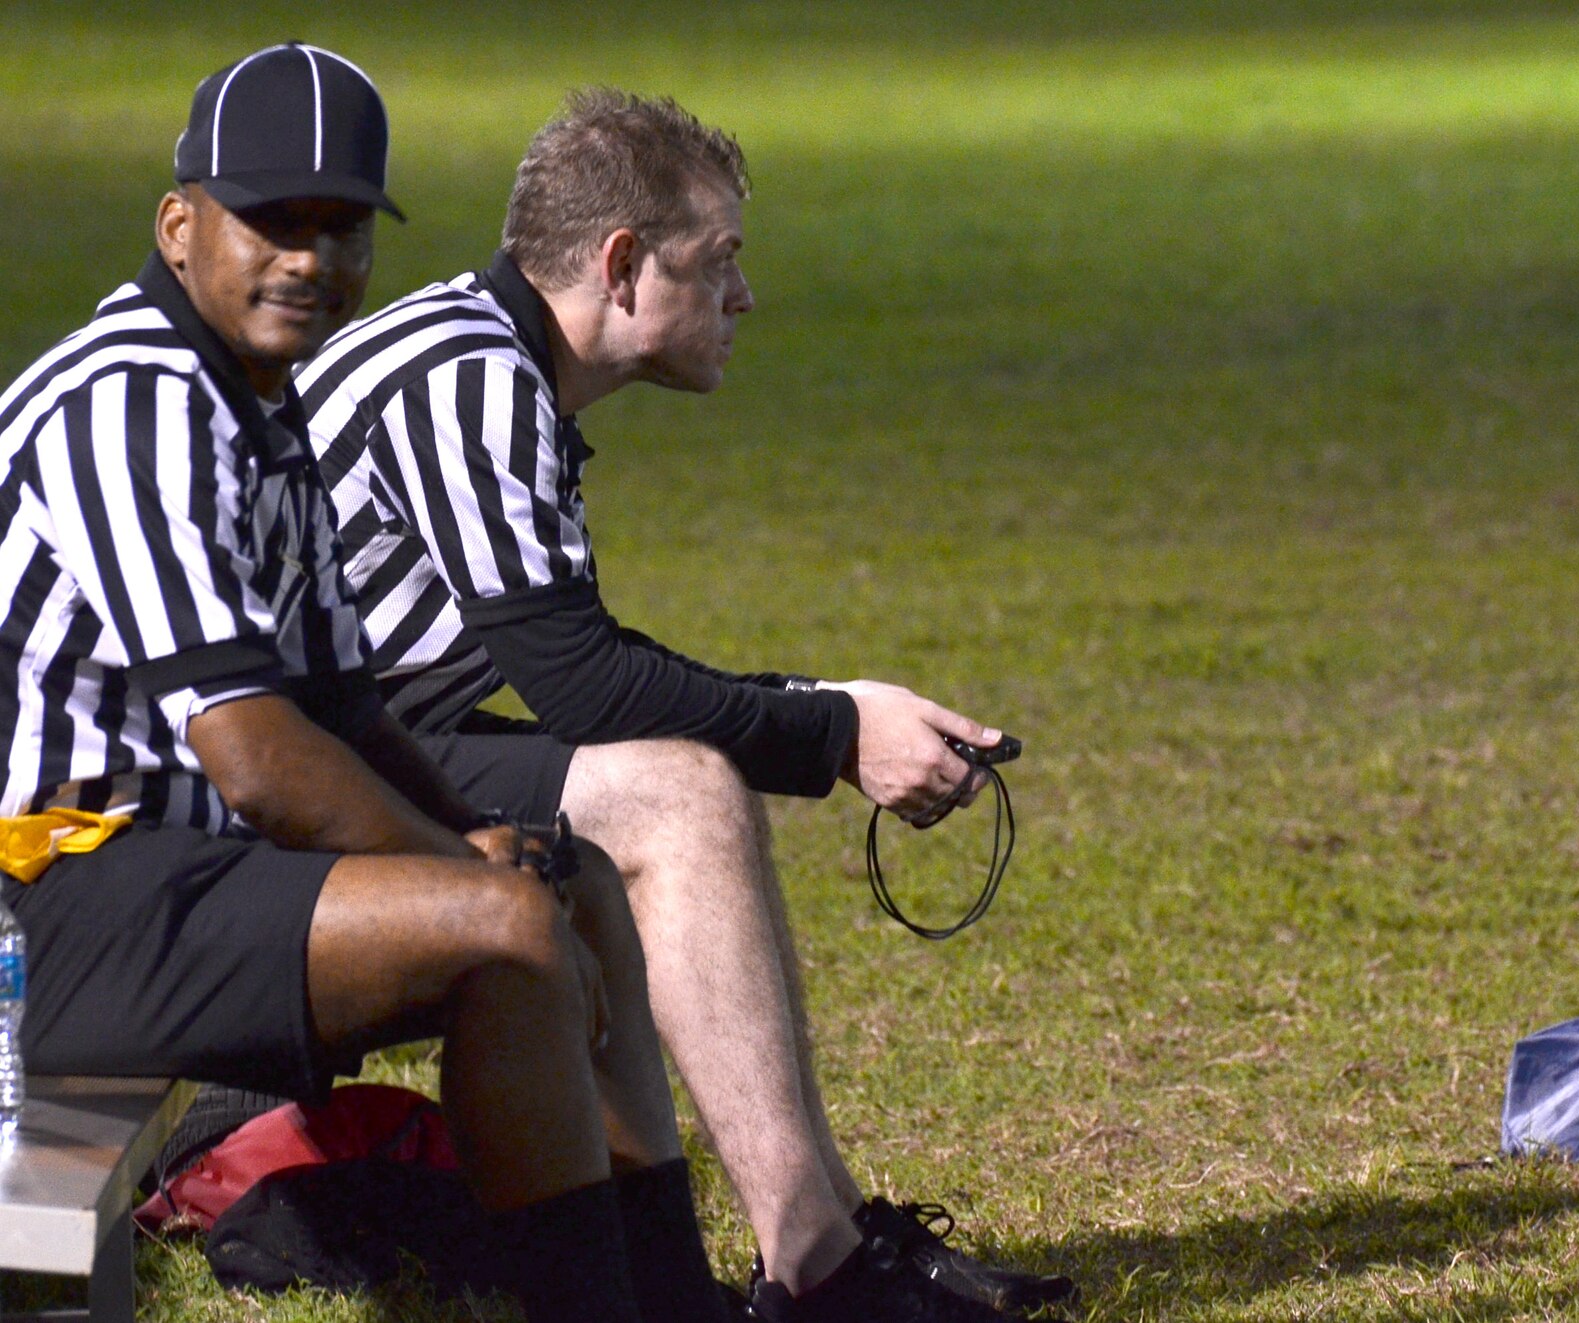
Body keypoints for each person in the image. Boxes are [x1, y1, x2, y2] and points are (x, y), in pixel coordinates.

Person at [296, 90, 1073, 1320]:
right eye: (720, 262)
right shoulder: (471, 381)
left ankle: (800, 1251)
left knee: (665, 786)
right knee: (674, 794)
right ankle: (819, 1269)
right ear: (619, 265)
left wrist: (826, 709)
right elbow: (584, 682)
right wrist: (834, 732)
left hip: (340, 753)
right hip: (238, 796)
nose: (744, 298)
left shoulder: (482, 359)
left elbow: (573, 672)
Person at [0, 48, 728, 1323]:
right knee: (506, 928)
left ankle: (671, 1298)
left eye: (341, 228)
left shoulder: (256, 408)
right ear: (179, 227)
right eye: (272, 222)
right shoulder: (135, 400)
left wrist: (472, 837)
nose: (310, 260)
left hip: (163, 874)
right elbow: (260, 759)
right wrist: (465, 877)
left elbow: (344, 703)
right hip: (46, 895)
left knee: (572, 879)